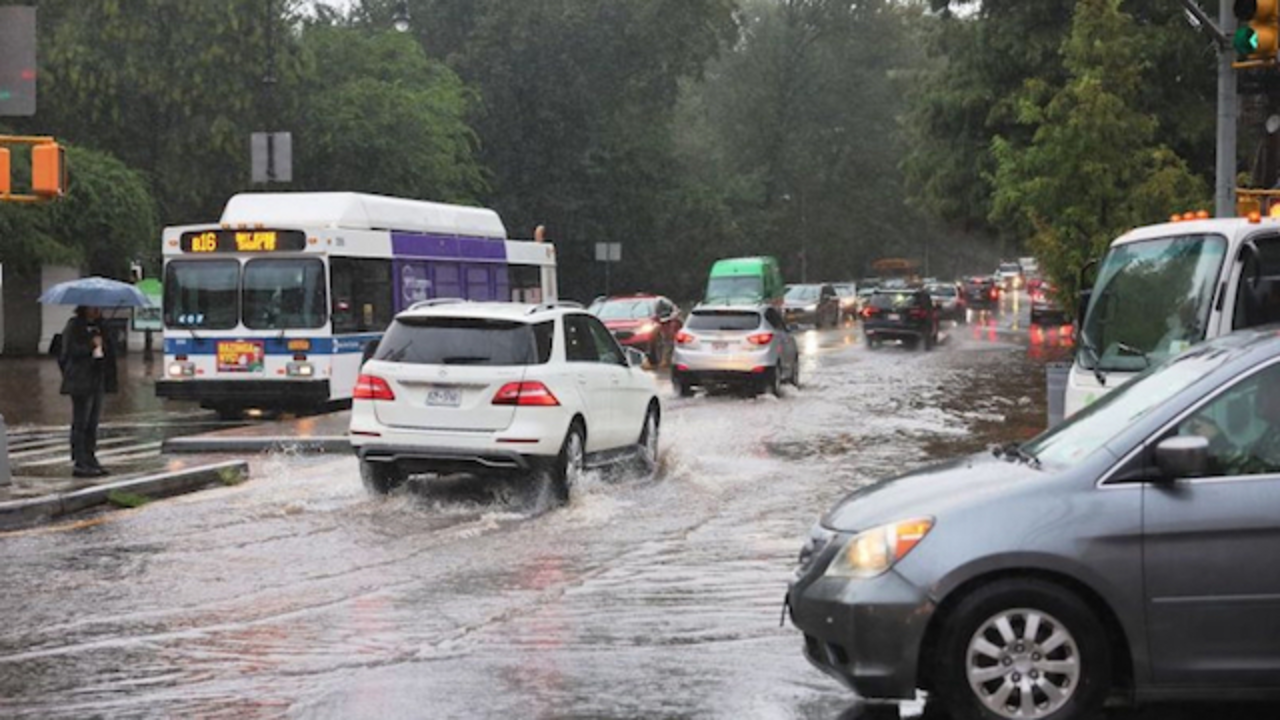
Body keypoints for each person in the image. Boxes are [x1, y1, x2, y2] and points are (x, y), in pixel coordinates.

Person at [59, 306, 118, 477]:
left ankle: (91, 457)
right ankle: (80, 461)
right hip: (81, 381)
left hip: (97, 379)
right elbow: (69, 352)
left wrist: (104, 343)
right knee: (81, 422)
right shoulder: (74, 326)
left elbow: (110, 352)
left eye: (97, 307)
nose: (96, 311)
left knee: (92, 422)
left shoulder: (101, 326)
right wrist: (90, 346)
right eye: (92, 307)